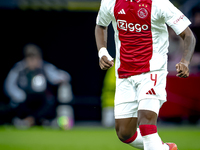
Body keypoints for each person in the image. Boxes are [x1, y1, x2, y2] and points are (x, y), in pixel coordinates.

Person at [95, 0, 196, 150]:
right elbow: (101, 25)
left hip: (152, 71)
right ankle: (166, 149)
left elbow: (188, 35)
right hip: (124, 74)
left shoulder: (159, 3)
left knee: (146, 125)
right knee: (124, 133)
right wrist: (102, 51)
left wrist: (185, 61)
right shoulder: (110, 2)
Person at [4, 43, 74, 128]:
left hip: (41, 101)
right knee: (18, 104)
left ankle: (33, 120)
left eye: (36, 58)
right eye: (30, 59)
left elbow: (64, 76)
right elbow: (9, 86)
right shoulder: (18, 69)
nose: (33, 62)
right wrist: (20, 95)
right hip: (25, 100)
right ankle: (25, 120)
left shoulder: (44, 67)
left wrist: (60, 79)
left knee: (49, 101)